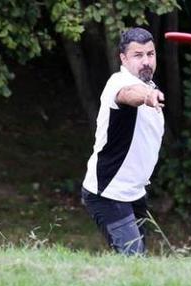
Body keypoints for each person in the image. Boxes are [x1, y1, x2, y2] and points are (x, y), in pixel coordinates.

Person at [81, 27, 165, 255]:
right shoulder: (118, 83)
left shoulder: (151, 86)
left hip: (134, 192)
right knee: (134, 259)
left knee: (137, 267)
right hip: (108, 193)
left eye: (150, 54)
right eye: (138, 55)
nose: (146, 61)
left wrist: (150, 92)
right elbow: (129, 93)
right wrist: (147, 97)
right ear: (123, 58)